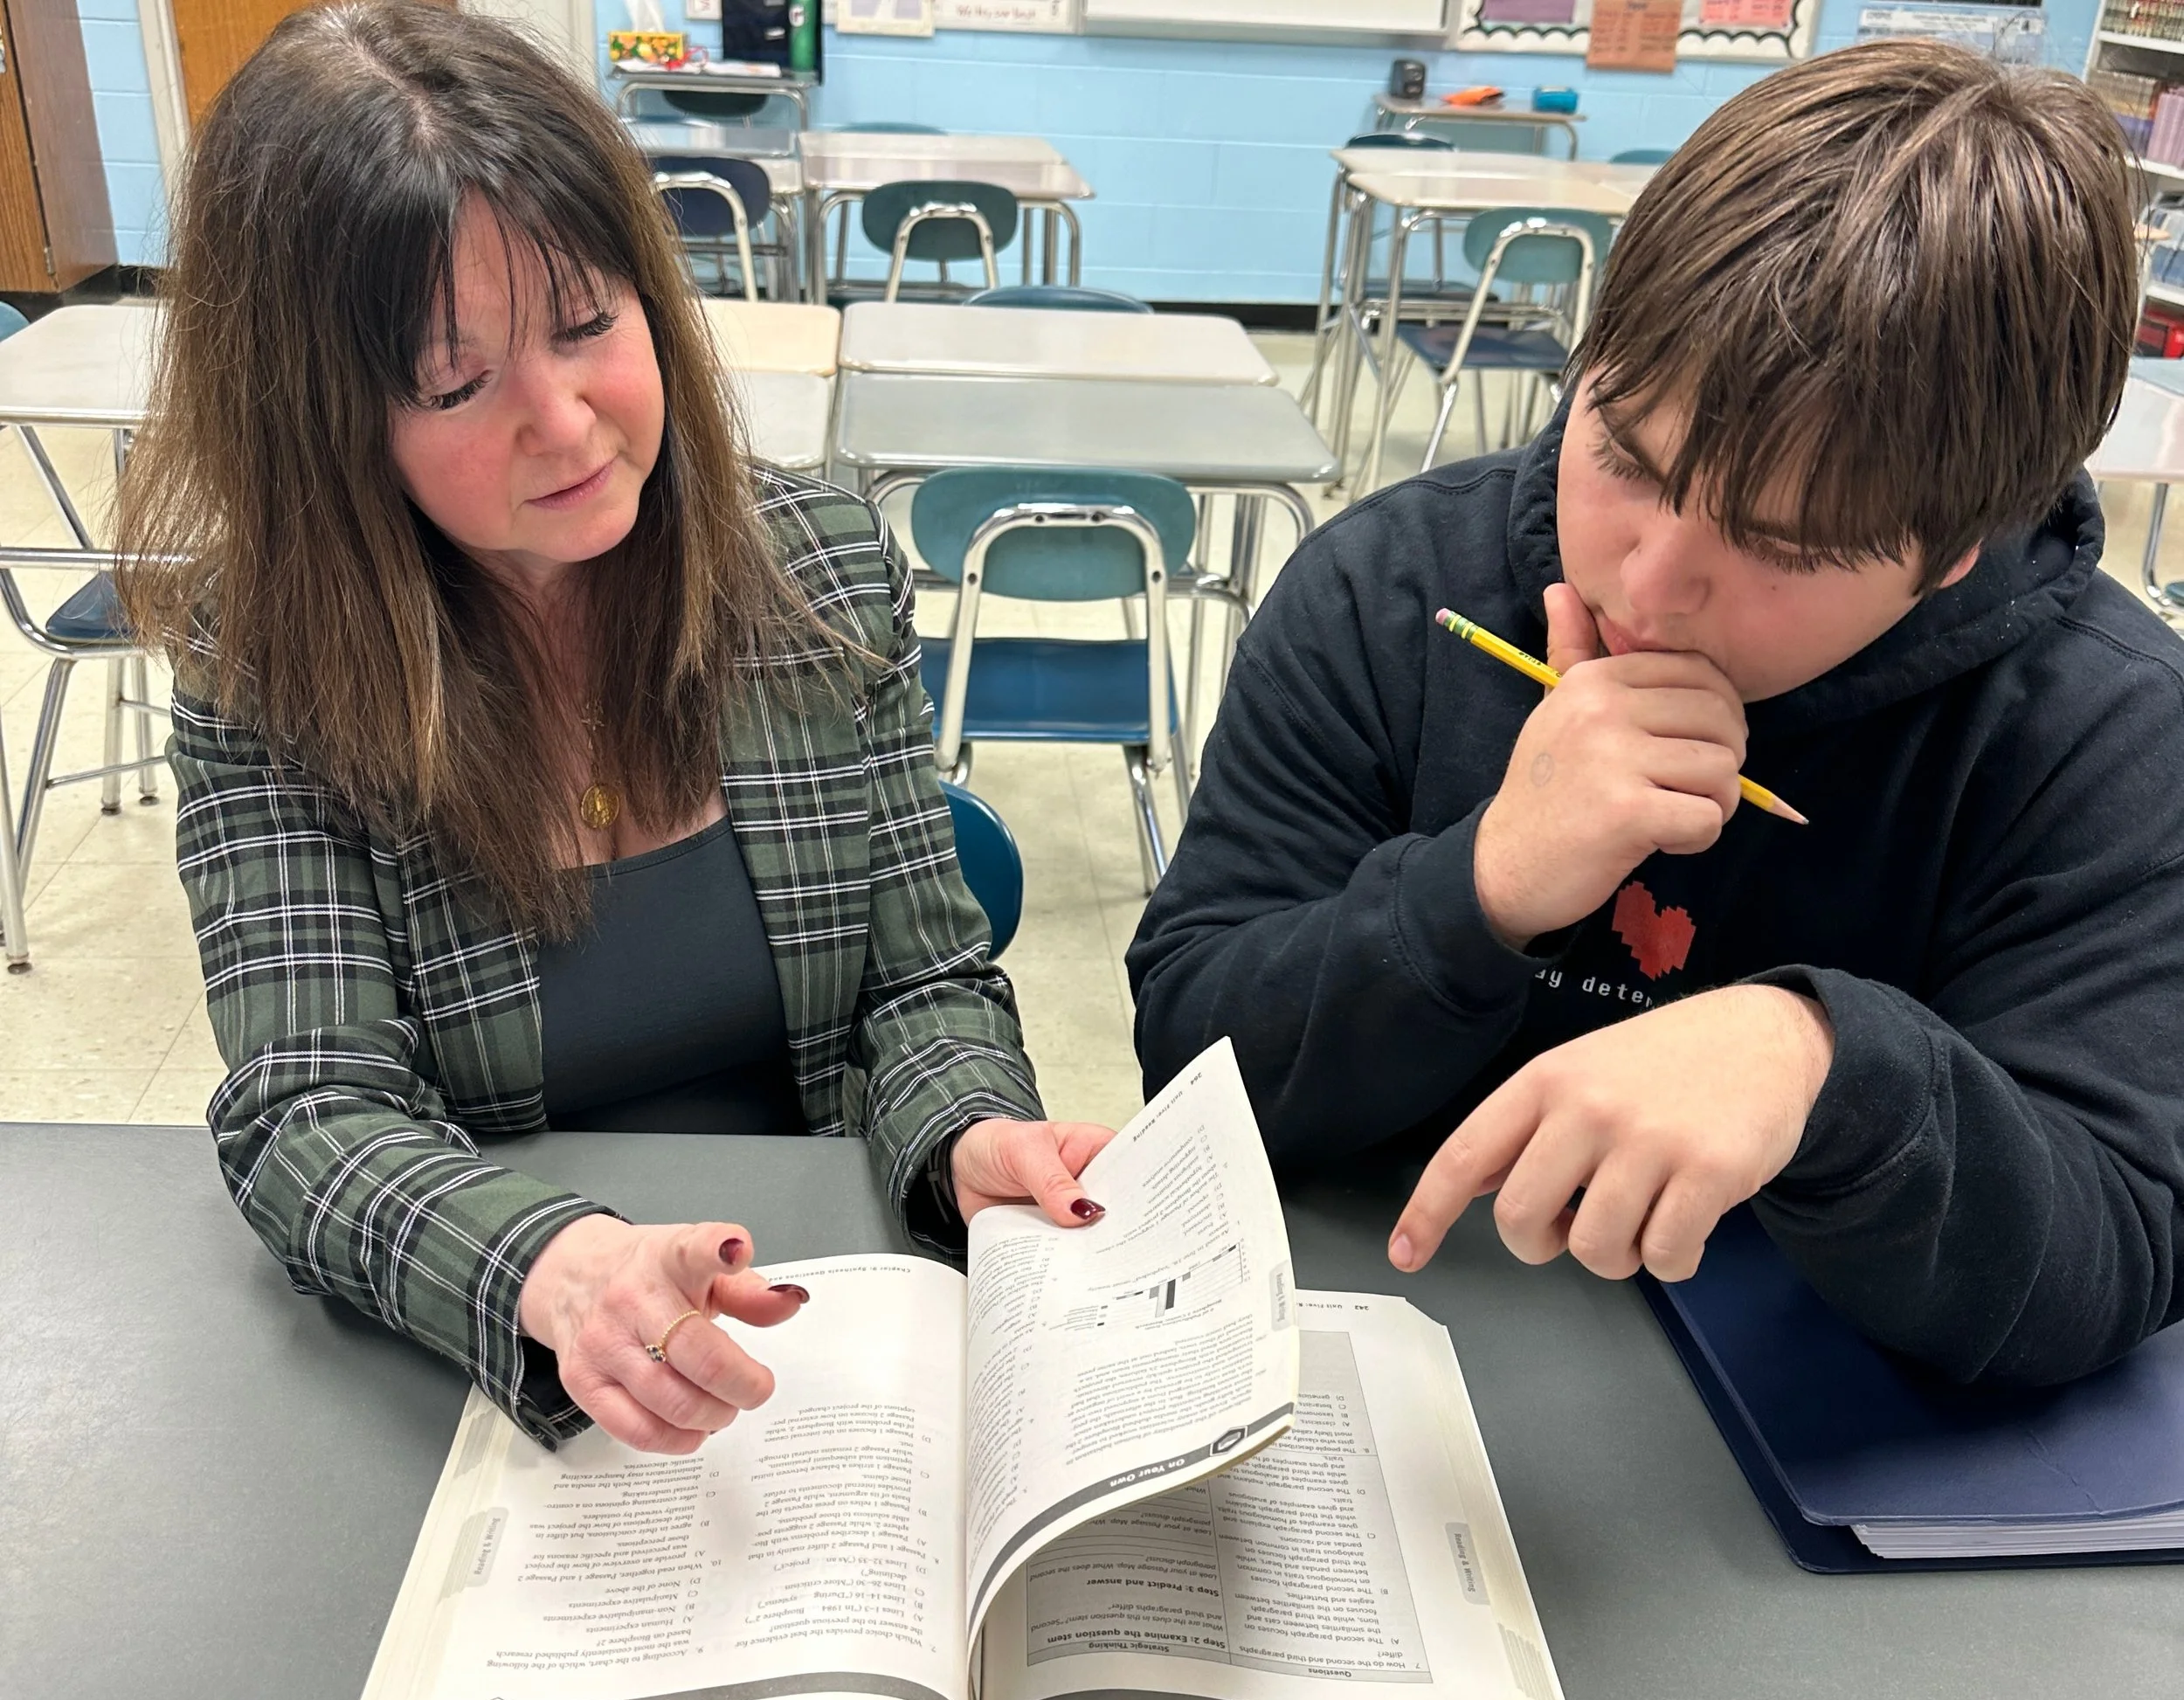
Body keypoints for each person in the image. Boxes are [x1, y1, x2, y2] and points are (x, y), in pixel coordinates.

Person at [121, 2, 1110, 1456]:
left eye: (591, 322)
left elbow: (923, 985)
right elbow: (309, 1109)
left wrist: (972, 1135)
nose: (570, 422)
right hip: (503, 1375)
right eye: (458, 383)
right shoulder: (272, 674)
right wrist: (549, 1265)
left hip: (824, 1338)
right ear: (325, 425)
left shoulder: (817, 566)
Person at [1130, 42, 2184, 1386]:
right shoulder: (1395, 592)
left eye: (1786, 544)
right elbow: (1192, 1062)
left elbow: (2107, 1263)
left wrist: (1828, 1066)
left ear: (1959, 547)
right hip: (1389, 1361)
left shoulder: (2109, 734)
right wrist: (1483, 886)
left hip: (1803, 1458)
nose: (1650, 580)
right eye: (1623, 451)